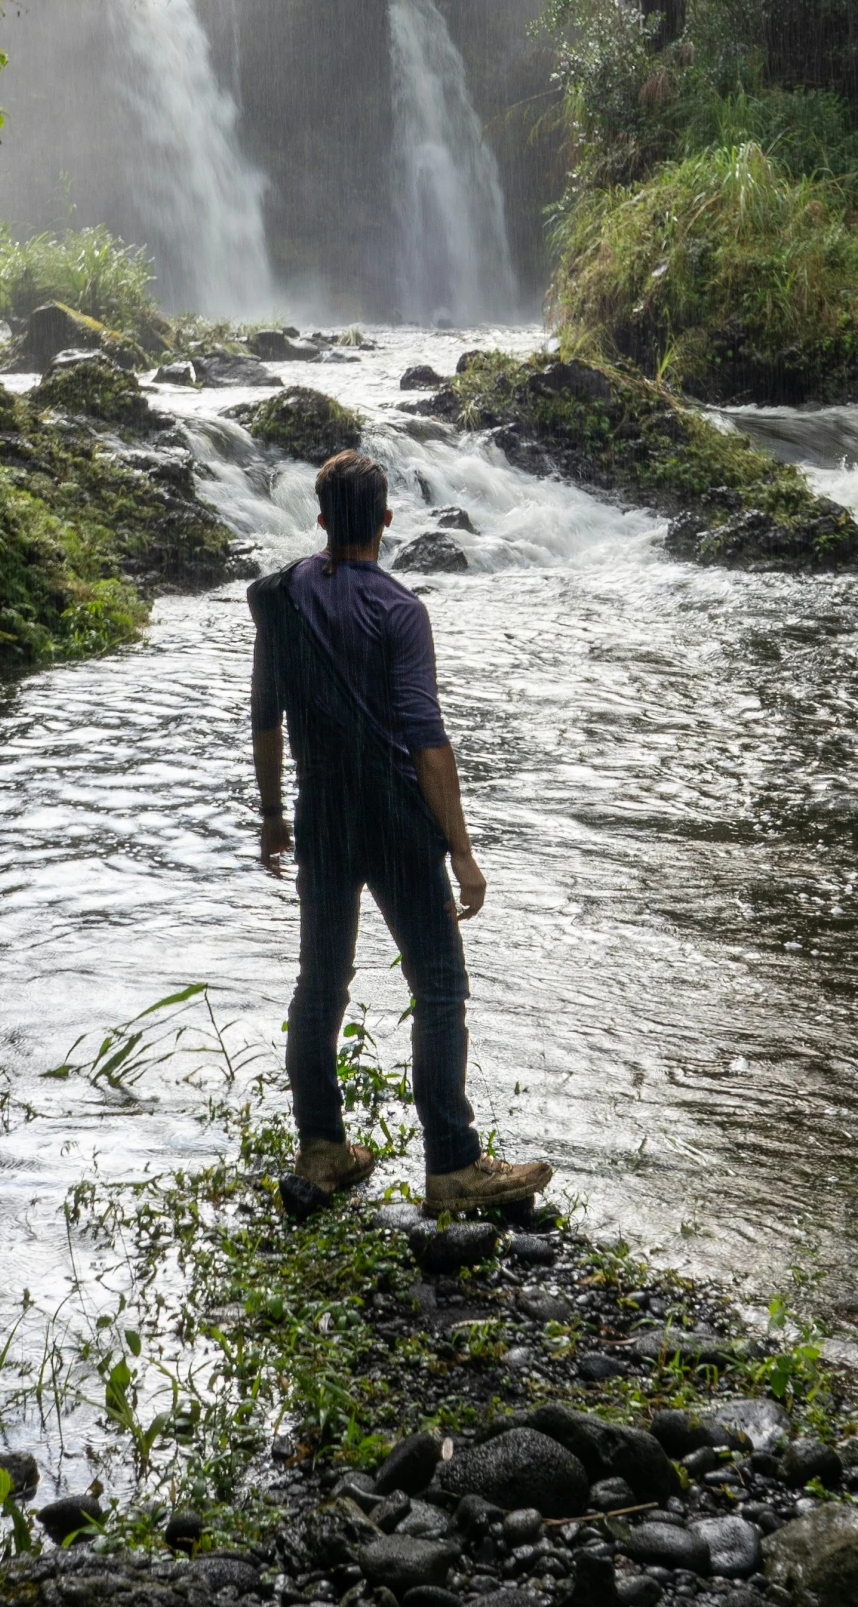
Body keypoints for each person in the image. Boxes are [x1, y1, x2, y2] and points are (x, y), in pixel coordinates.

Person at [248, 447, 552, 1212]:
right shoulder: (399, 611)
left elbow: (266, 718)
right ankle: (452, 1168)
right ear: (387, 521)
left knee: (320, 984)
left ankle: (322, 1151)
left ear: (318, 520)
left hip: (321, 813)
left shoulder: (277, 597)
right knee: (439, 985)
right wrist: (463, 853)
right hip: (393, 816)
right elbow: (426, 741)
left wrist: (273, 816)